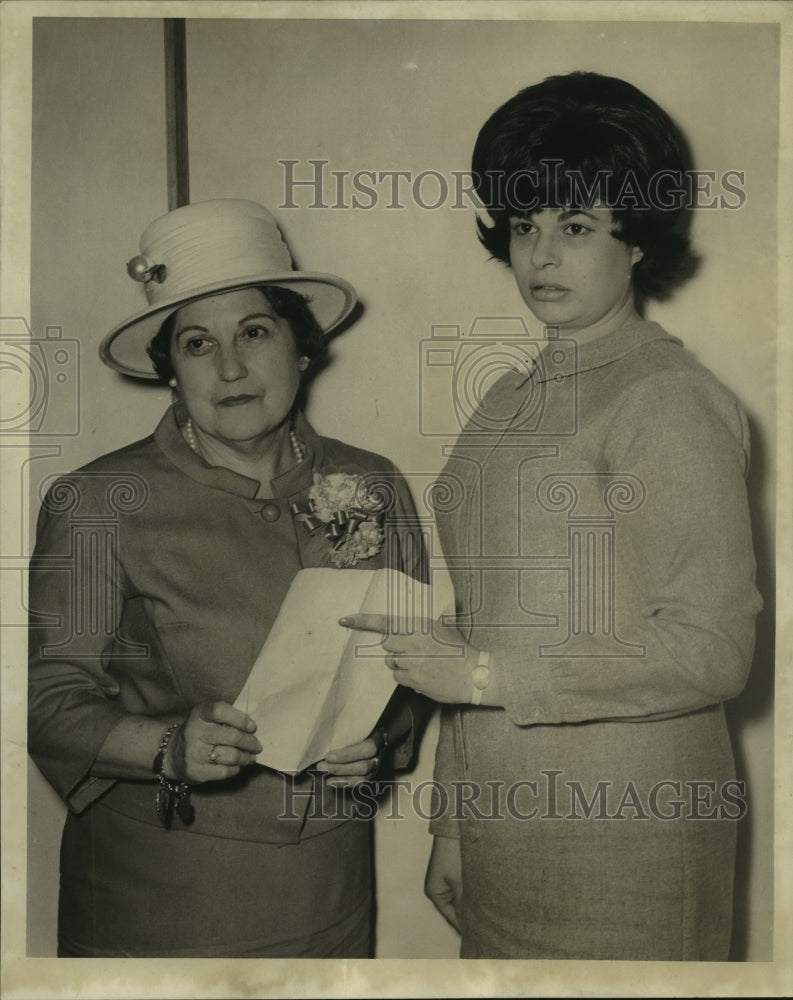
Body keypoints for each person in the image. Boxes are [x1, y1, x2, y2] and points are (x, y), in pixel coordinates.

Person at [341, 72, 761, 959]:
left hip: (630, 837)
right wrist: (455, 824)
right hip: (505, 836)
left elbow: (710, 648)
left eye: (574, 227)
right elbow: (476, 634)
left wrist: (489, 678)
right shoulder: (505, 397)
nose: (540, 256)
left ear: (636, 239)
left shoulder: (669, 398)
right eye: (525, 226)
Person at [27, 199, 428, 958]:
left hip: (332, 894)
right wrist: (164, 746)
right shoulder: (95, 503)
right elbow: (42, 704)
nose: (231, 368)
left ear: (301, 348)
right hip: (162, 901)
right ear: (171, 372)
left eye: (254, 332)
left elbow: (410, 671)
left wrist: (378, 740)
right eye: (196, 344)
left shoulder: (371, 484)